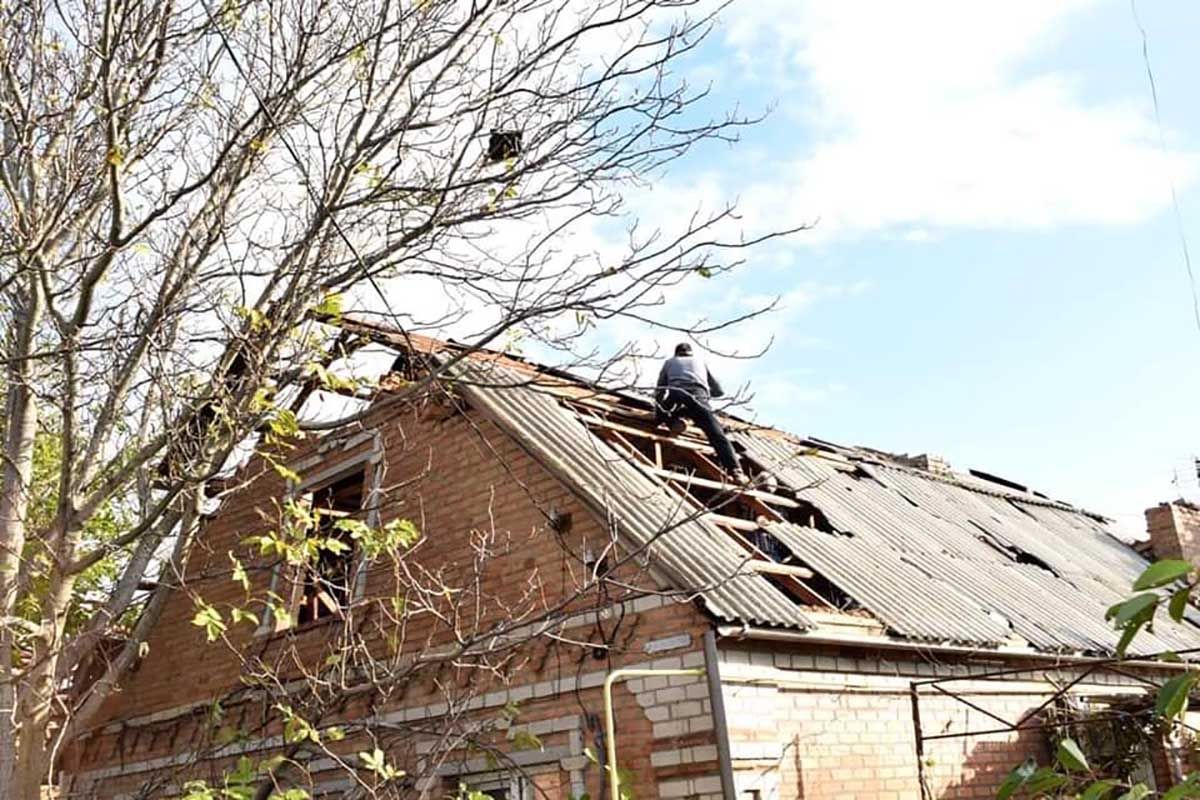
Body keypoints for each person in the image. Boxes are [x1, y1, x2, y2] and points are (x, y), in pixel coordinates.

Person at [654, 343, 746, 483]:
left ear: (676, 353)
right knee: (716, 434)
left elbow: (660, 389)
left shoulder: (669, 362)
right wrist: (708, 393)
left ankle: (674, 421)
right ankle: (736, 471)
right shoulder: (700, 362)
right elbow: (719, 391)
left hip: (677, 394)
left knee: (662, 413)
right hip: (699, 397)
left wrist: (659, 410)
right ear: (690, 353)